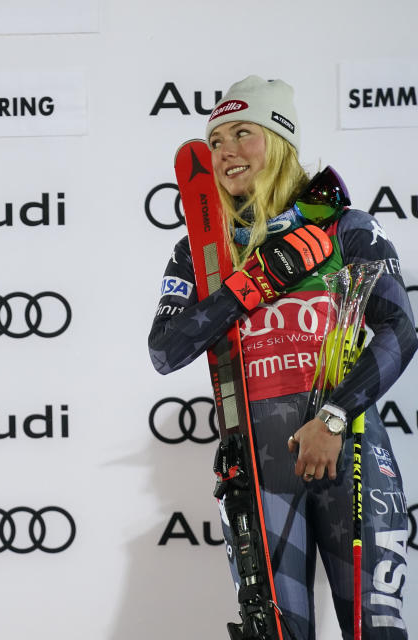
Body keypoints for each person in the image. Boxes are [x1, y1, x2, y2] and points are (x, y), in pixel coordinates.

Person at [148, 76, 416, 639]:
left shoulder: (345, 226)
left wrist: (334, 416)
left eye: (243, 133)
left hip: (352, 455)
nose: (226, 152)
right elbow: (166, 350)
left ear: (280, 140)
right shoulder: (201, 249)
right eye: (215, 141)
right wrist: (251, 285)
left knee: (378, 633)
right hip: (261, 466)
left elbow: (400, 330)